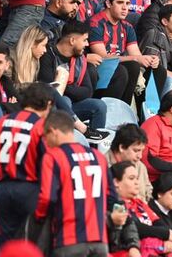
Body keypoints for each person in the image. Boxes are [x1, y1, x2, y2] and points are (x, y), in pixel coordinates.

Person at [34, 110, 113, 257]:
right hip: (99, 240)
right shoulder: (98, 157)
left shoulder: (53, 157)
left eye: (46, 136)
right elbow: (112, 198)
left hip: (68, 240)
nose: (46, 141)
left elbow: (47, 198)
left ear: (53, 131)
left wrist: (38, 218)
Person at [0, 82, 53, 244]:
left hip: (4, 188)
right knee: (29, 244)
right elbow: (46, 163)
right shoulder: (41, 126)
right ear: (47, 104)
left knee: (6, 244)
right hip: (29, 189)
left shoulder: (2, 121)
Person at [89, 0, 164, 105]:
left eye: (128, 3)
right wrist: (135, 58)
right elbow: (103, 57)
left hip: (119, 67)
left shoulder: (127, 26)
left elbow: (136, 54)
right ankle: (112, 109)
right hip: (97, 70)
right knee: (129, 67)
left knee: (158, 70)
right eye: (120, 3)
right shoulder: (95, 23)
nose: (125, 8)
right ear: (108, 3)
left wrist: (150, 60)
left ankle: (141, 113)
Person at [38, 20, 108, 134]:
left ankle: (94, 146)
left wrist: (64, 84)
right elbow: (50, 89)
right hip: (53, 107)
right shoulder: (47, 55)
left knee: (99, 106)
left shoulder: (79, 58)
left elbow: (87, 91)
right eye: (84, 40)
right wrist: (70, 88)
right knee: (65, 100)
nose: (87, 44)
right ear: (72, 40)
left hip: (72, 106)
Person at [110, 161, 172, 254]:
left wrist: (167, 238)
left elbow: (159, 223)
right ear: (116, 182)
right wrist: (165, 234)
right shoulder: (113, 205)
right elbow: (133, 227)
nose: (137, 182)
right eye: (131, 178)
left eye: (137, 178)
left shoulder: (140, 203)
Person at [107, 124, 153, 203]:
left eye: (141, 151)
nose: (140, 156)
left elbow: (148, 194)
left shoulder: (140, 166)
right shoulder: (101, 166)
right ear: (121, 147)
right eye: (136, 151)